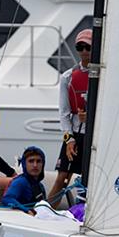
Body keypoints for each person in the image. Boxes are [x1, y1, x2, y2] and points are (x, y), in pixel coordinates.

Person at [48, 28, 92, 208]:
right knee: (62, 177)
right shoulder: (68, 77)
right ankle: (43, 213)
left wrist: (89, 118)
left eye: (87, 47)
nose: (83, 51)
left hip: (93, 135)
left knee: (90, 179)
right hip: (75, 133)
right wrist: (69, 139)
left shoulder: (105, 76)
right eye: (79, 47)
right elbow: (64, 113)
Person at [1, 146, 47, 214]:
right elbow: (7, 199)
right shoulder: (20, 182)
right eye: (31, 161)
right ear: (24, 164)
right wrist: (26, 210)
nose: (35, 165)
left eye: (38, 161)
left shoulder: (40, 186)